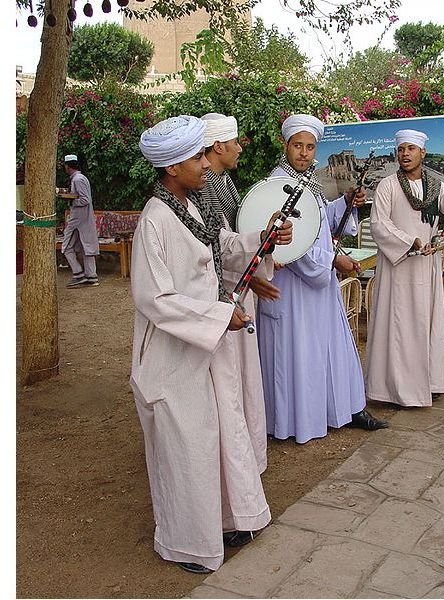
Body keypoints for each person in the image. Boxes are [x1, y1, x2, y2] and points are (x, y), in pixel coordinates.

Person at [130, 115, 292, 574]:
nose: (206, 163)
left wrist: (260, 238)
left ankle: (225, 521)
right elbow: (154, 298)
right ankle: (187, 544)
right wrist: (221, 314)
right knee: (187, 448)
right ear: (172, 167)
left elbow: (220, 245)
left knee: (215, 437)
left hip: (203, 347)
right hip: (170, 357)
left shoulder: (192, 207)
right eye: (198, 157)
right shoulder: (154, 220)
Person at [257, 113, 388, 444]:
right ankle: (298, 421)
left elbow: (318, 221)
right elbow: (289, 246)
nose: (303, 152)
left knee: (330, 348)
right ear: (285, 146)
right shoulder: (277, 185)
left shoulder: (309, 182)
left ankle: (343, 409)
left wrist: (344, 203)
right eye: (298, 145)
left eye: (310, 147)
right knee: (298, 354)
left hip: (320, 287)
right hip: (292, 290)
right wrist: (332, 261)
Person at [364, 129, 444, 408]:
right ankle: (392, 389)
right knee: (397, 326)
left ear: (422, 153)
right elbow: (379, 224)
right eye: (401, 149)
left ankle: (428, 383)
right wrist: (409, 242)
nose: (405, 154)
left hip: (425, 266)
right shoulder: (387, 185)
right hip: (397, 267)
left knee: (426, 323)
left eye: (411, 149)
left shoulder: (437, 186)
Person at [200, 112, 280, 473]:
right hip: (222, 299)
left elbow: (233, 238)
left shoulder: (226, 183)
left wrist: (255, 269)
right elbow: (214, 248)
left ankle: (245, 454)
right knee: (228, 384)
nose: (240, 148)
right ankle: (229, 460)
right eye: (235, 142)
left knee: (244, 379)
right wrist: (249, 276)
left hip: (239, 288)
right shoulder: (204, 189)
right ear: (218, 146)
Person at [61, 154, 100, 287]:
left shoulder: (77, 179)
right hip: (83, 219)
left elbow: (84, 200)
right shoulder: (80, 178)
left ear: (67, 166)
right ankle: (91, 276)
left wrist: (69, 199)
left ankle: (78, 274)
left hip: (78, 219)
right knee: (86, 247)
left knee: (66, 247)